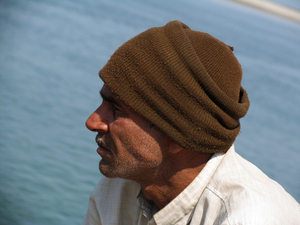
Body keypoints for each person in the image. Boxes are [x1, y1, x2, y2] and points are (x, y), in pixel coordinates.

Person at [82, 20, 300, 225]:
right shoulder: (120, 186)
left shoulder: (249, 217)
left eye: (117, 109)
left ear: (179, 136)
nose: (92, 122)